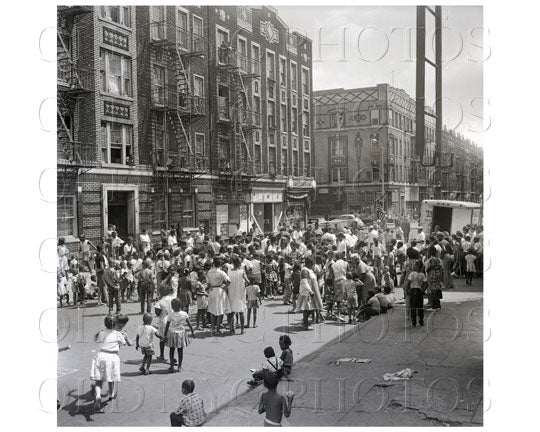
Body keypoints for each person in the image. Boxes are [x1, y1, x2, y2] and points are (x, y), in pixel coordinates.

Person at [91, 315, 126, 412]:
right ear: (115, 324)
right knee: (111, 378)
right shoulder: (118, 334)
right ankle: (111, 394)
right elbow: (124, 343)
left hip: (101, 356)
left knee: (98, 380)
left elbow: (97, 339)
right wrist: (123, 336)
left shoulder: (101, 333)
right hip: (112, 357)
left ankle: (98, 395)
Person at [164, 298, 195, 373]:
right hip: (181, 333)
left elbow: (167, 326)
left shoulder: (170, 315)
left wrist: (164, 335)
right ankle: (179, 366)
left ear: (172, 307)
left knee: (171, 350)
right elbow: (189, 324)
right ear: (181, 305)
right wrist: (192, 332)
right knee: (180, 350)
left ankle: (171, 365)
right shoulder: (184, 314)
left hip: (172, 333)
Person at [207, 258, 231, 335]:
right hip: (219, 290)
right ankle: (217, 329)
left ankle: (213, 328)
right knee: (220, 310)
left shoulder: (209, 272)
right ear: (220, 264)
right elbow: (229, 281)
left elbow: (208, 283)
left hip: (212, 290)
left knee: (212, 310)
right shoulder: (221, 272)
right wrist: (225, 287)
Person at [407, 260, 427, 327]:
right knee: (420, 306)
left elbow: (408, 282)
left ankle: (414, 322)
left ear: (416, 266)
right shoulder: (422, 275)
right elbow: (426, 283)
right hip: (419, 291)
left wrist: (407, 290)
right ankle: (421, 321)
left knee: (413, 307)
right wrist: (423, 290)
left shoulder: (412, 274)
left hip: (413, 290)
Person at [425, 245, 443, 310]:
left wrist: (428, 269)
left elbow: (430, 266)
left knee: (433, 291)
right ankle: (438, 305)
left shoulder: (431, 259)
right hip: (438, 276)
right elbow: (441, 267)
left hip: (432, 276)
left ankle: (434, 306)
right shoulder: (438, 259)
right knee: (437, 290)